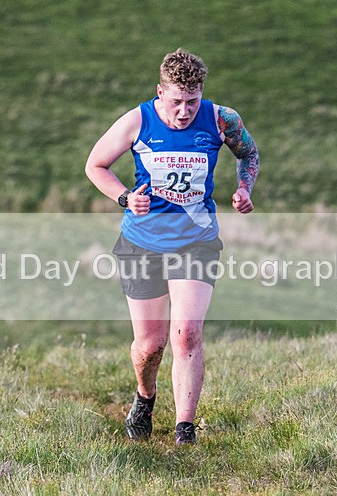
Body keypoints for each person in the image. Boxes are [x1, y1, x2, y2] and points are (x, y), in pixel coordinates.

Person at [85, 48, 259, 445]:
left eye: (192, 101)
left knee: (186, 336)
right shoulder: (137, 120)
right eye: (177, 101)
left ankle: (185, 430)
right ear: (160, 92)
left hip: (196, 242)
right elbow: (95, 165)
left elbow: (249, 153)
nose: (184, 111)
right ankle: (145, 397)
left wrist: (245, 187)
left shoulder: (221, 119)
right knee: (150, 346)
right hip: (141, 242)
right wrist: (126, 198)